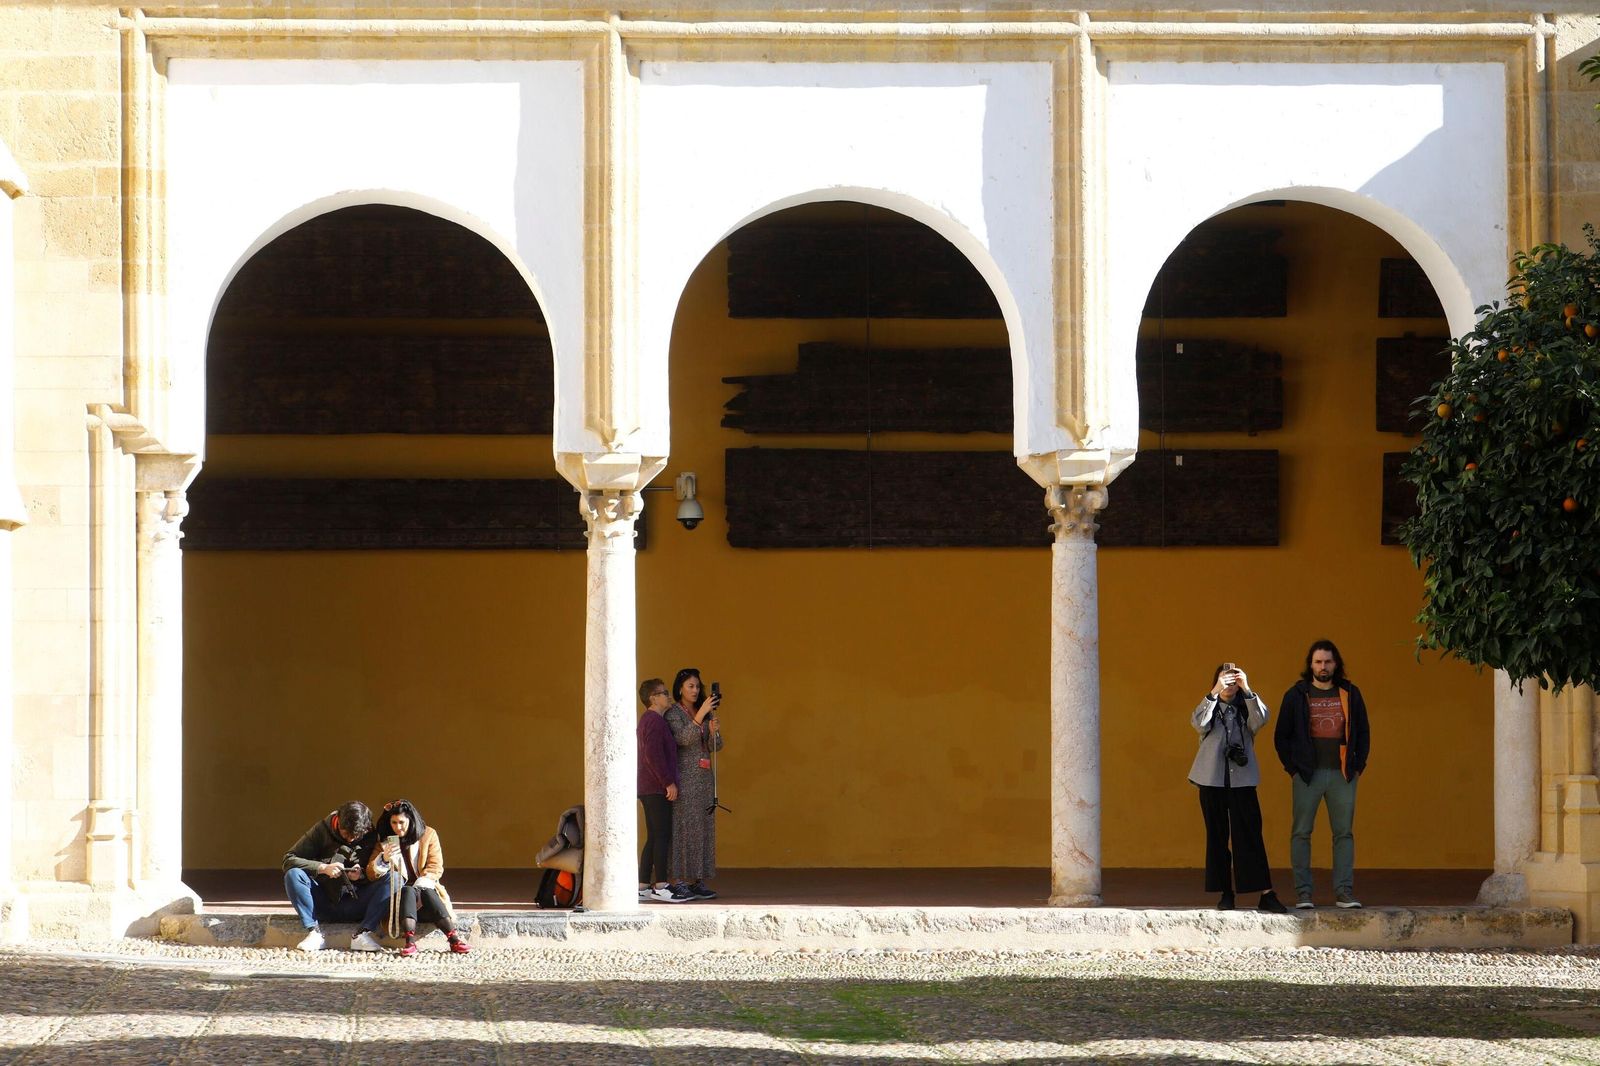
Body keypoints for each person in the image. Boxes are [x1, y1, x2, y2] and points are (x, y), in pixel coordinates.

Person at [1273, 639, 1371, 910]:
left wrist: (1358, 766)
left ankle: (1344, 893)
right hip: (1307, 775)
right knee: (1301, 832)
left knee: (1343, 834)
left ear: (1336, 663)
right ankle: (1304, 893)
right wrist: (1293, 769)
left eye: (1328, 661)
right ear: (1310, 665)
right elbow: (1281, 736)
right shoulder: (1296, 695)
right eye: (1318, 661)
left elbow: (1363, 732)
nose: (1323, 666)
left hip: (1342, 774)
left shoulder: (1350, 693)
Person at [1188, 662, 1288, 913]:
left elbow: (1262, 719)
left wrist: (1247, 688)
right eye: (1225, 678)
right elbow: (1199, 723)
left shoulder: (1247, 709)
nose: (1230, 682)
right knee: (1217, 837)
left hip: (1243, 780)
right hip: (1211, 780)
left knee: (1250, 836)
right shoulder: (1209, 705)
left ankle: (1266, 893)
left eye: (1233, 678)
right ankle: (1225, 893)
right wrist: (1213, 693)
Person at [281, 800, 393, 952]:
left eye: (356, 835)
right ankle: (314, 933)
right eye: (346, 833)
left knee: (395, 878)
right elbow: (289, 859)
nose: (350, 839)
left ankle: (363, 934)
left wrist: (360, 876)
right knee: (293, 874)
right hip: (323, 901)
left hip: (357, 901)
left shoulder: (370, 834)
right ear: (338, 822)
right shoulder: (322, 830)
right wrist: (323, 868)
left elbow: (375, 869)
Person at [366, 799, 471, 956]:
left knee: (423, 890)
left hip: (427, 901)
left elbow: (435, 867)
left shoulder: (428, 835)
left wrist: (419, 888)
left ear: (411, 819)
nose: (398, 827)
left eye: (401, 822)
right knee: (408, 891)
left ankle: (454, 939)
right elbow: (370, 873)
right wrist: (384, 859)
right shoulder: (385, 843)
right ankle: (410, 943)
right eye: (393, 823)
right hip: (400, 906)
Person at [665, 667, 724, 900]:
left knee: (703, 829)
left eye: (698, 686)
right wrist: (700, 715)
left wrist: (713, 732)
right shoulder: (674, 713)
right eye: (690, 686)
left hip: (704, 780)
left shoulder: (705, 713)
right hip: (685, 778)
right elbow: (681, 739)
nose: (695, 690)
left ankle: (698, 880)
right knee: (683, 829)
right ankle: (678, 880)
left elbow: (716, 747)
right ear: (680, 688)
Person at [638, 678, 689, 903]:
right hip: (656, 787)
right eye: (664, 692)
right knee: (662, 835)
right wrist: (668, 782)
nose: (668, 696)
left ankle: (642, 886)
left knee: (653, 836)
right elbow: (653, 756)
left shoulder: (649, 720)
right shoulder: (655, 722)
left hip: (649, 787)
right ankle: (661, 885)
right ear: (653, 698)